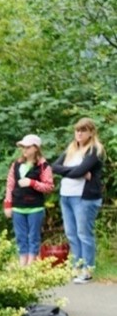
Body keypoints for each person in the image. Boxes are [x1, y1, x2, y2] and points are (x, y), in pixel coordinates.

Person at [52, 117, 107, 284]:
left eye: (83, 130)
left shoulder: (95, 150)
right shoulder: (71, 149)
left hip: (84, 197)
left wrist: (73, 171)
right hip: (66, 195)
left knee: (84, 234)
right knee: (71, 234)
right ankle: (77, 266)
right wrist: (75, 171)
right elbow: (54, 167)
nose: (79, 133)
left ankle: (87, 270)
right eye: (77, 130)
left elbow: (79, 171)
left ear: (91, 132)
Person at [4, 134, 55, 267]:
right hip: (17, 207)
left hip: (35, 208)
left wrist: (32, 183)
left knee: (33, 237)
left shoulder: (43, 166)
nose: (24, 150)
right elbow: (10, 185)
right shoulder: (16, 164)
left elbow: (49, 187)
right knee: (20, 237)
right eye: (23, 147)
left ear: (36, 148)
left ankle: (32, 262)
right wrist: (8, 204)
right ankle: (22, 262)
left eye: (27, 147)